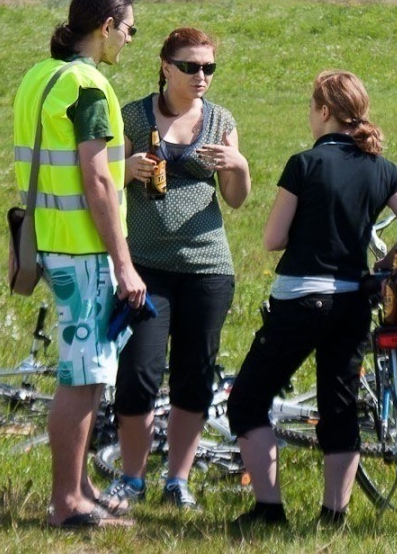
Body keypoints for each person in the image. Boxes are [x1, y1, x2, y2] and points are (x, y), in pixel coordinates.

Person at [227, 70, 397, 527]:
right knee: (338, 407)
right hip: (353, 301)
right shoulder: (384, 168)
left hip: (300, 299)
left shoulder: (305, 164)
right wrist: (388, 263)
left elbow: (273, 239)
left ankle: (269, 509)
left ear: (323, 112)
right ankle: (332, 516)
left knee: (247, 401)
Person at [13, 0, 147, 529]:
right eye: (130, 30)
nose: (131, 41)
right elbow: (96, 180)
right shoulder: (88, 86)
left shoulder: (40, 77)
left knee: (87, 371)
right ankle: (67, 502)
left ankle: (82, 487)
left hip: (50, 242)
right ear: (106, 27)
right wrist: (123, 262)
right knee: (82, 377)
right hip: (84, 248)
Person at [103, 27, 251, 512]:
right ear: (166, 66)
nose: (201, 76)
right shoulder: (132, 114)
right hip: (145, 268)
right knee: (139, 372)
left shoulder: (221, 119)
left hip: (208, 268)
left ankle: (178, 481)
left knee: (195, 374)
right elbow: (105, 181)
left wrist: (237, 165)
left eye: (209, 67)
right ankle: (131, 478)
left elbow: (236, 200)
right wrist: (129, 169)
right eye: (190, 66)